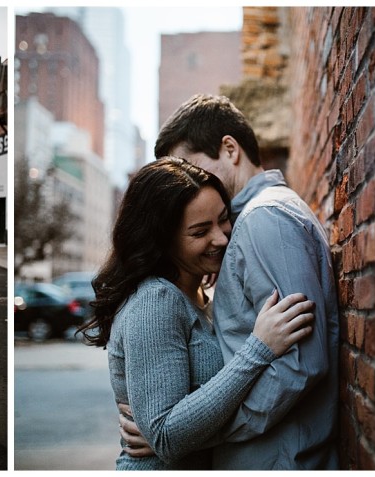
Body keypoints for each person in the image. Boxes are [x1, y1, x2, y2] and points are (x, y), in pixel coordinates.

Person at [125, 94, 341, 469]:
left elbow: (299, 366)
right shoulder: (244, 228)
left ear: (229, 148)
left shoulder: (264, 220)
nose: (187, 184)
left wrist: (187, 437)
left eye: (190, 166)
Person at [80, 158, 316, 470]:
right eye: (200, 231)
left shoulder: (199, 292)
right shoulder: (156, 300)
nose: (221, 238)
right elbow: (165, 435)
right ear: (162, 240)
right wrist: (259, 348)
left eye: (223, 219)